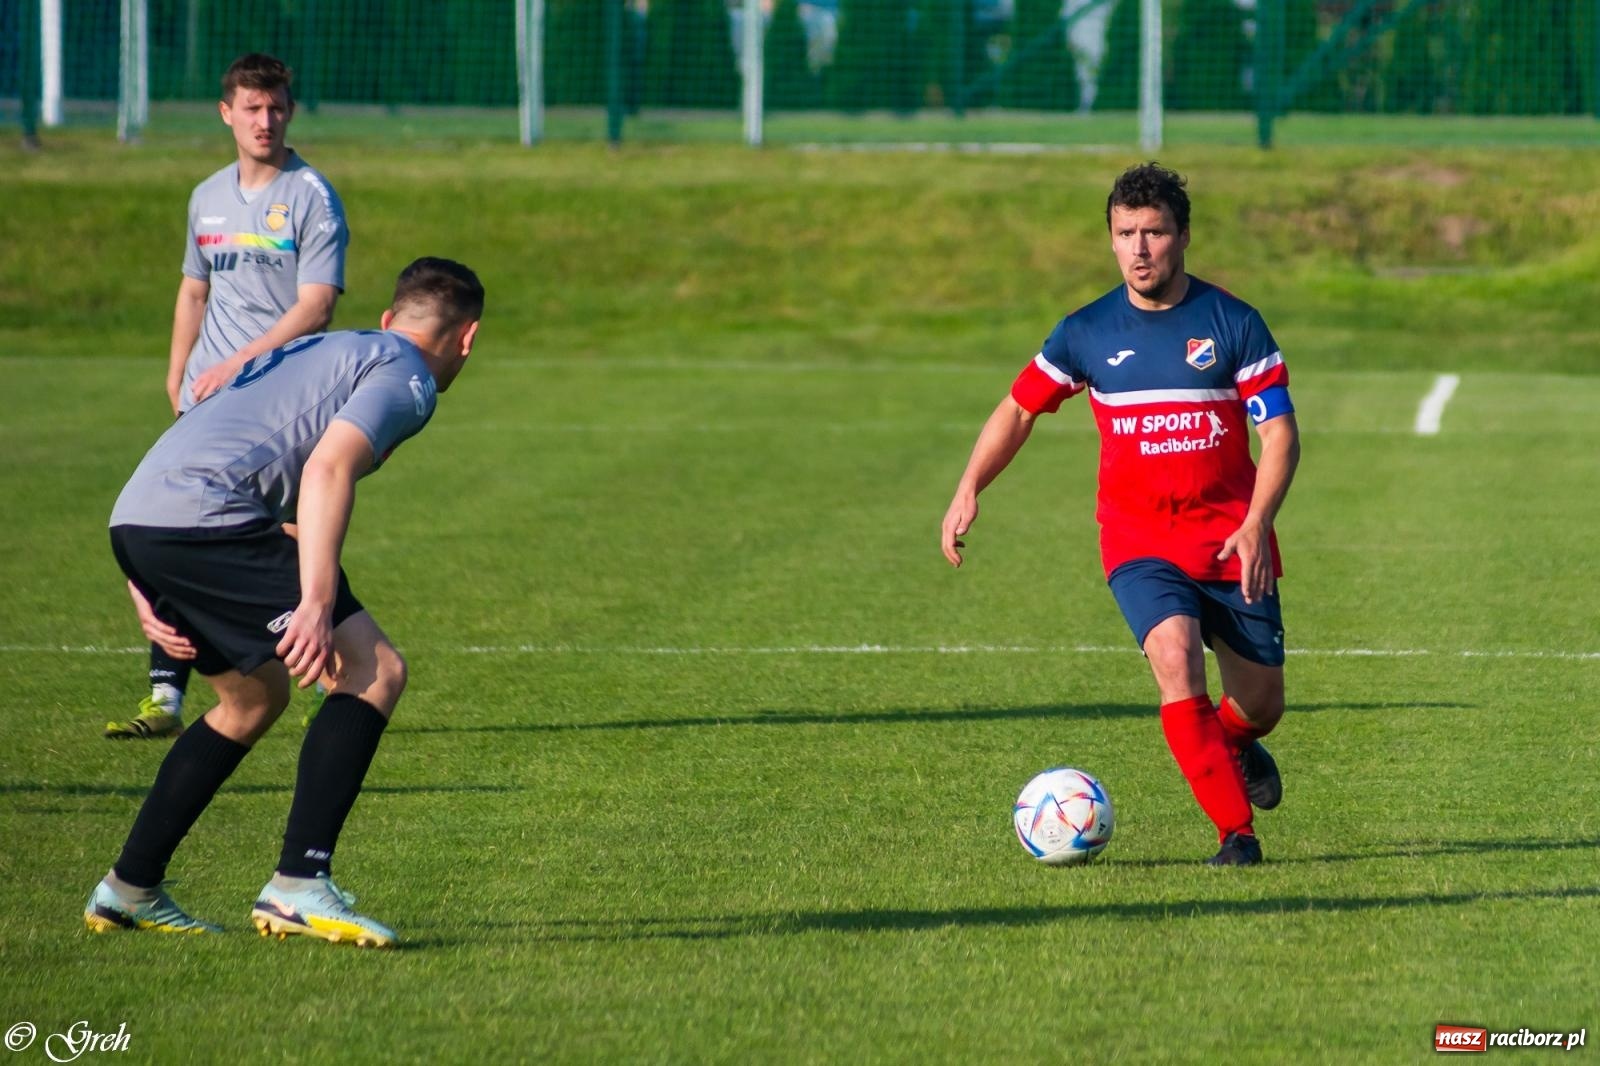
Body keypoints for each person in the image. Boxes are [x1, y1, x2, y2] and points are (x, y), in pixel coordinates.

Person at [84, 257, 484, 947]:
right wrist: (316, 604)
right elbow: (328, 467)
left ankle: (129, 889)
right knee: (374, 671)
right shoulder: (410, 375)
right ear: (467, 338)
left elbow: (210, 448)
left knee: (251, 700)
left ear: (388, 317)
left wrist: (144, 577)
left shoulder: (321, 349)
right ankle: (298, 884)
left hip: (141, 518)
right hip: (206, 519)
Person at [939, 163, 1300, 867]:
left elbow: (1279, 433)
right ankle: (1236, 836)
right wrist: (968, 486)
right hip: (1140, 542)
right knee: (1175, 660)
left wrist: (1258, 521)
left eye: (1154, 232)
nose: (1139, 248)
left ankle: (1231, 742)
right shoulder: (1086, 331)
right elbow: (1019, 408)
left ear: (1183, 236)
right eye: (1125, 233)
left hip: (1231, 538)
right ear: (1110, 239)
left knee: (1261, 706)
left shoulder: (1234, 323)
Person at [106, 52, 348, 740]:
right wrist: (177, 370)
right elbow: (194, 290)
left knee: (291, 533)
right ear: (226, 113)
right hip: (209, 395)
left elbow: (318, 304)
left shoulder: (311, 195)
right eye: (251, 108)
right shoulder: (206, 197)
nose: (264, 120)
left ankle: (327, 673)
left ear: (290, 112)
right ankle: (165, 696)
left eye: (275, 108)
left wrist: (238, 363)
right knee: (174, 521)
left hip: (279, 399)